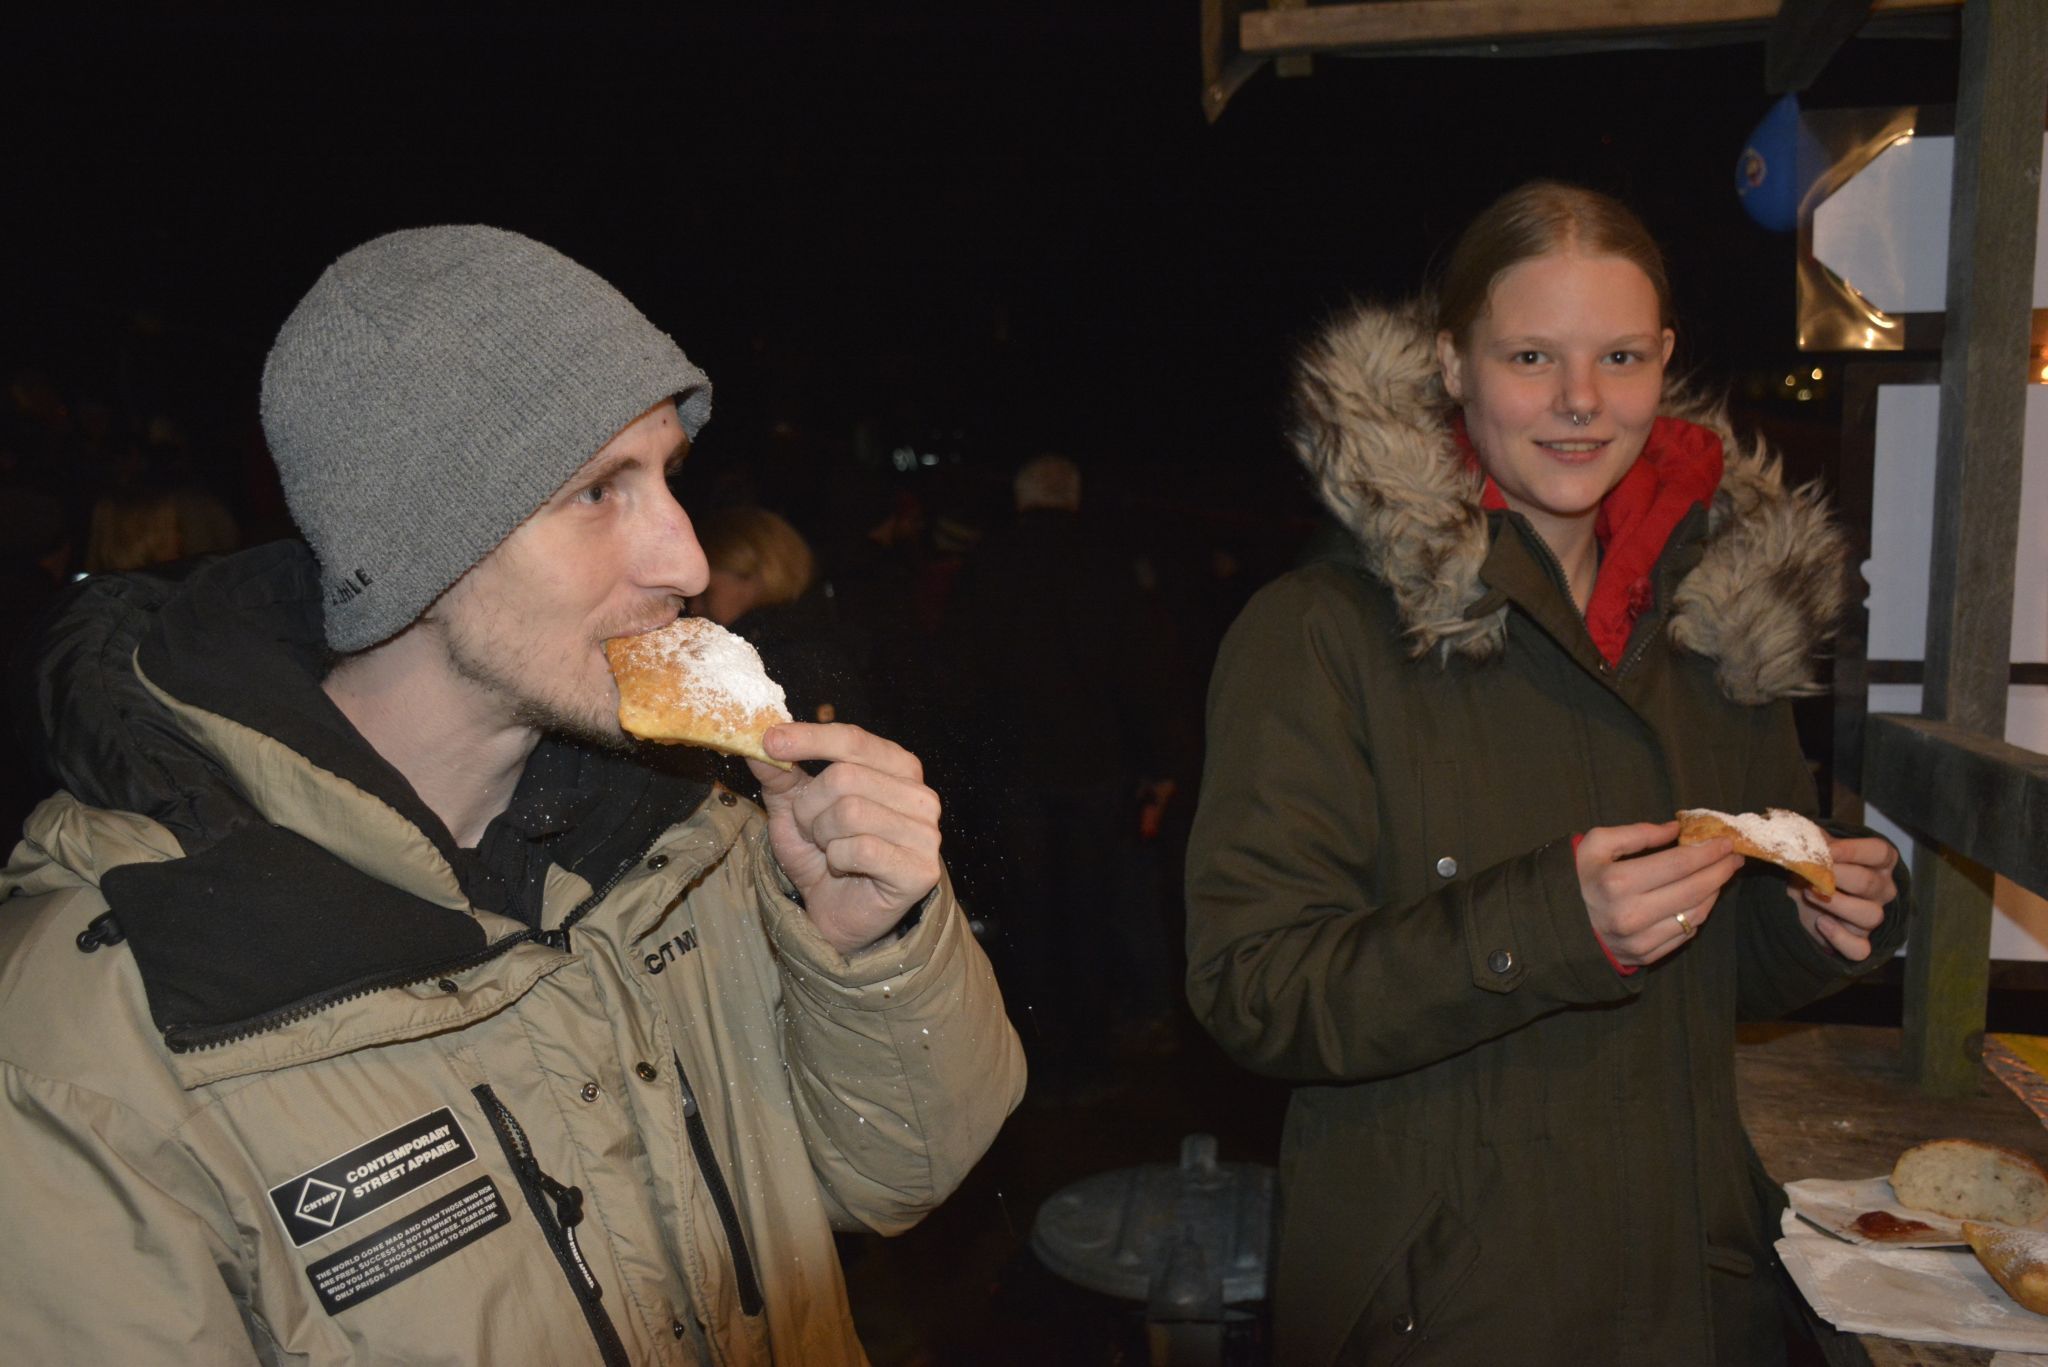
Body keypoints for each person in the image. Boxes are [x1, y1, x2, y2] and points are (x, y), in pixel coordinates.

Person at [0, 225, 1025, 1365]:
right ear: (411, 542)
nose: (684, 561)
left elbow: (899, 1177)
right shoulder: (89, 1041)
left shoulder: (695, 831)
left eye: (667, 478)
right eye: (598, 490)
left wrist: (860, 952)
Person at [1184, 182, 1907, 1366]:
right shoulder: (1319, 631)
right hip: (1451, 1304)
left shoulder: (1726, 625)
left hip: (1691, 1291)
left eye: (1618, 356)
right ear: (1452, 365)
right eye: (1530, 355)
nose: (1579, 401)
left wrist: (1818, 927)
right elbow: (1250, 987)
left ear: (1662, 361)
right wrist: (1545, 921)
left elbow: (1716, 970)